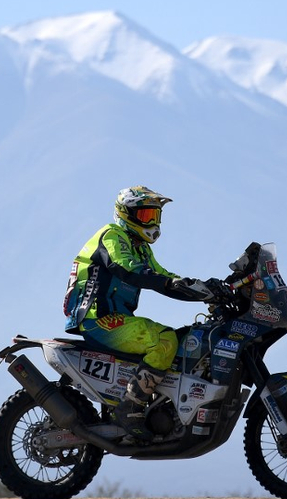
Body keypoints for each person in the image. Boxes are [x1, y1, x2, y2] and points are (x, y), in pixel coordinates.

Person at [62, 185, 227, 441]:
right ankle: (130, 407)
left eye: (155, 216)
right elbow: (126, 268)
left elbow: (161, 277)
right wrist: (170, 283)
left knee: (183, 339)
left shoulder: (141, 247)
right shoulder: (112, 235)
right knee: (164, 340)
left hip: (118, 320)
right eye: (145, 215)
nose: (151, 221)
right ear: (126, 213)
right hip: (98, 319)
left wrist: (204, 289)